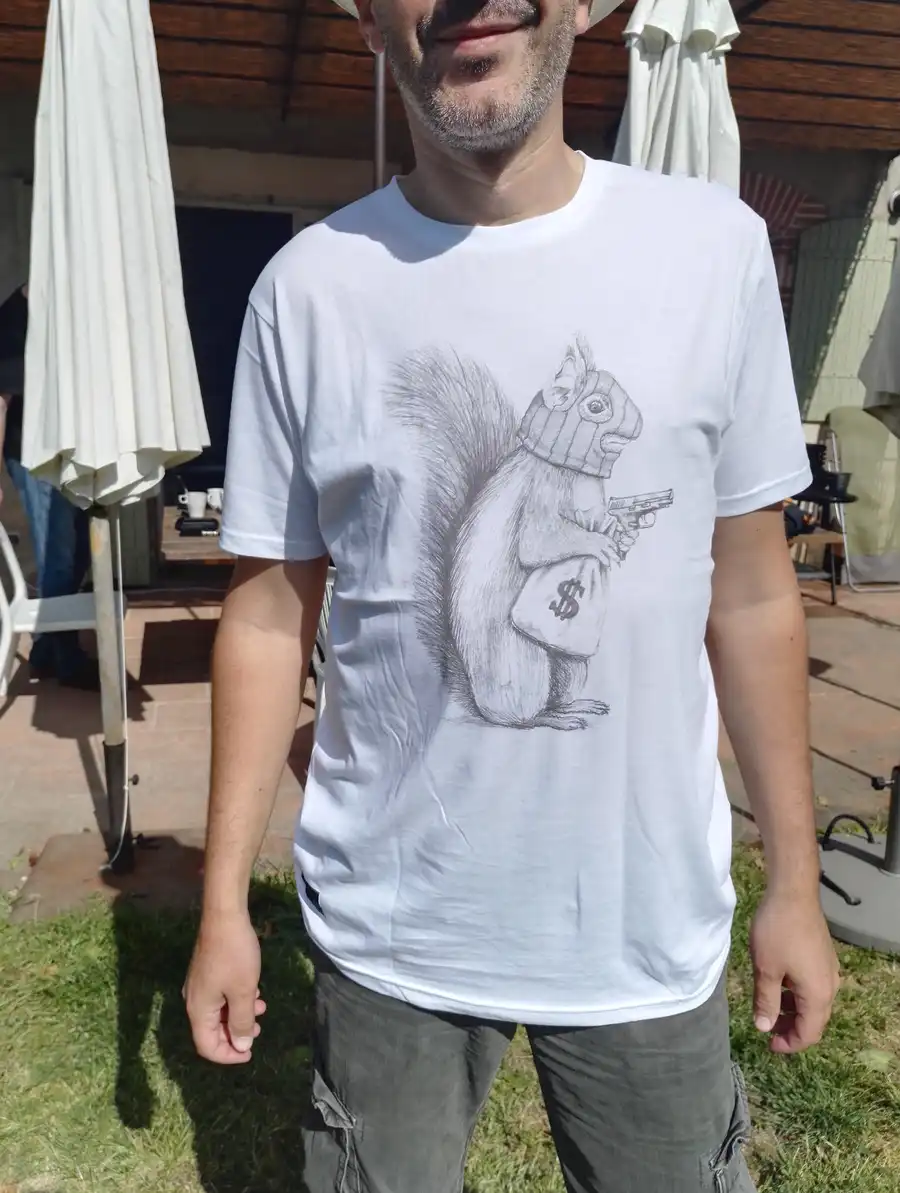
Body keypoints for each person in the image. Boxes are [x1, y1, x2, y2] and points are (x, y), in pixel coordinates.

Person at [185, 0, 840, 1188]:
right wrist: (223, 899)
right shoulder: (309, 288)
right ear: (365, 14)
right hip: (394, 927)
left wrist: (794, 878)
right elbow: (269, 609)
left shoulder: (713, 251)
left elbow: (751, 592)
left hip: (644, 922)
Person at [0, 285, 97, 690]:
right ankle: (65, 656)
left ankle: (46, 647)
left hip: (67, 450)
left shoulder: (70, 311)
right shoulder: (14, 319)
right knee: (57, 554)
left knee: (79, 549)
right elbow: (1, 400)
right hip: (31, 453)